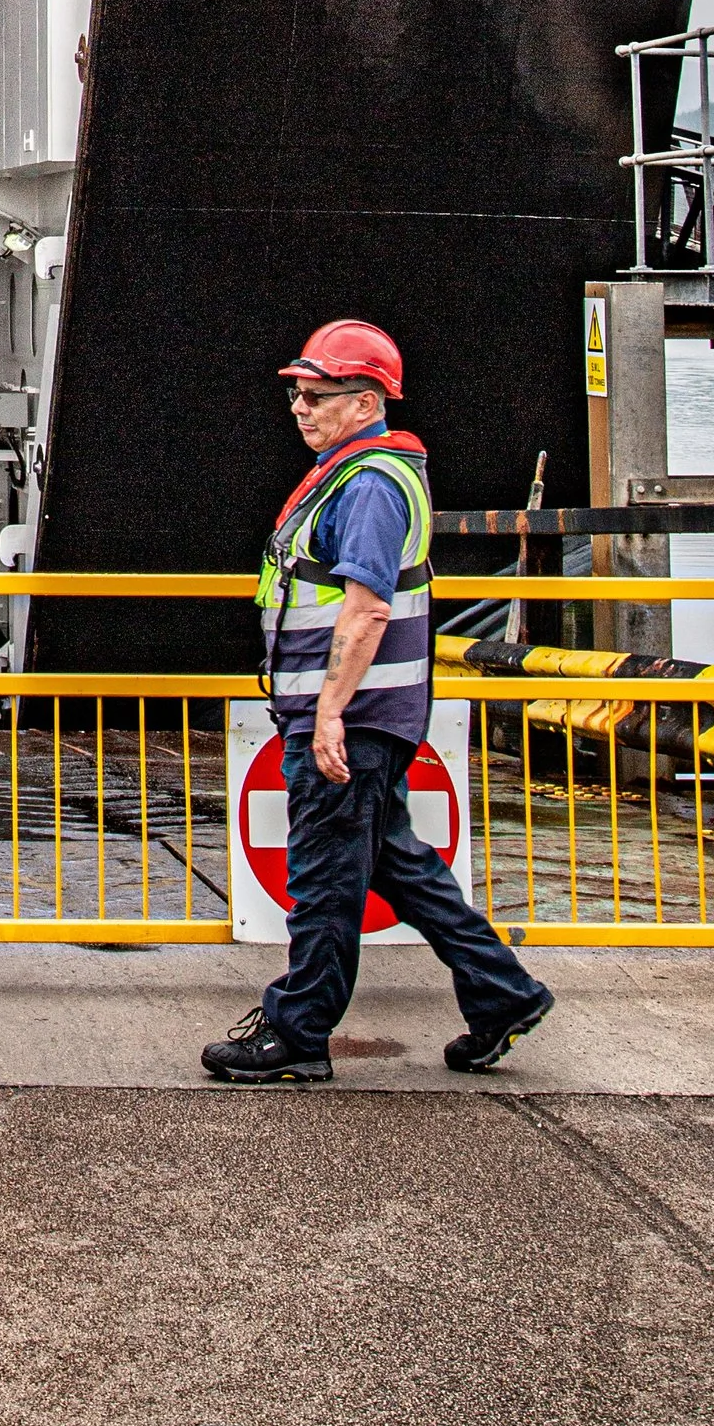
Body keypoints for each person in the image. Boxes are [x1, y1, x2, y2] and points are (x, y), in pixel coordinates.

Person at [202, 318, 556, 1086]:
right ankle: (504, 995)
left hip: (351, 721)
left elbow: (365, 610)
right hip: (361, 717)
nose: (300, 407)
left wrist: (329, 712)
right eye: (297, 394)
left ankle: (297, 1034)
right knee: (398, 866)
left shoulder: (368, 486)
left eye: (317, 395)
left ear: (365, 403)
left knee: (323, 879)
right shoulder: (356, 475)